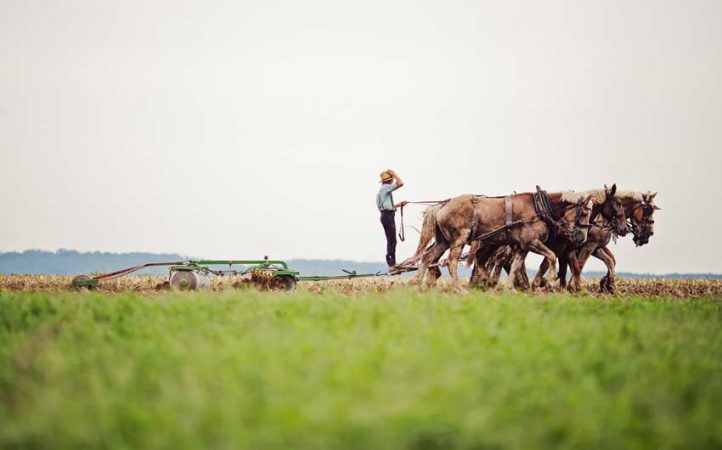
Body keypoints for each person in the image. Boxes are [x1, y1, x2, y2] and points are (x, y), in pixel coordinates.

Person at [376, 169, 405, 267]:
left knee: (391, 240)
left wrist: (397, 205)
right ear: (389, 180)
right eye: (392, 178)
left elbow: (384, 206)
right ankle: (392, 264)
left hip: (386, 215)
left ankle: (392, 263)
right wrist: (395, 174)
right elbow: (400, 183)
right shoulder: (386, 188)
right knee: (392, 240)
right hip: (387, 216)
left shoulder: (382, 190)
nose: (393, 180)